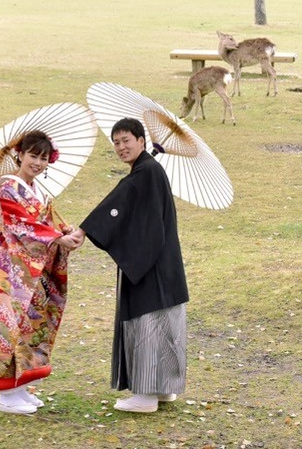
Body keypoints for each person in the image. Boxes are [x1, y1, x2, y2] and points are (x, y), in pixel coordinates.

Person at [0, 130, 85, 415]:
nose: (38, 163)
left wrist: (68, 232)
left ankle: (20, 388)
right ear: (19, 154)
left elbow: (49, 221)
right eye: (33, 155)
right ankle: (6, 395)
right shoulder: (7, 189)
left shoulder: (37, 190)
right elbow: (22, 225)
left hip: (34, 269)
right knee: (10, 328)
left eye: (44, 158)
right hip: (13, 271)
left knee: (31, 327)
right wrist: (56, 238)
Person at [81, 117, 188, 413]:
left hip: (150, 263)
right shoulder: (147, 170)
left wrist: (86, 229)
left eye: (126, 140)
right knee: (165, 322)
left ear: (142, 141)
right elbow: (129, 199)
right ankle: (163, 388)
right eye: (116, 142)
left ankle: (145, 396)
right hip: (163, 263)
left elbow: (123, 197)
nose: (121, 147)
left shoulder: (146, 172)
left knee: (148, 322)